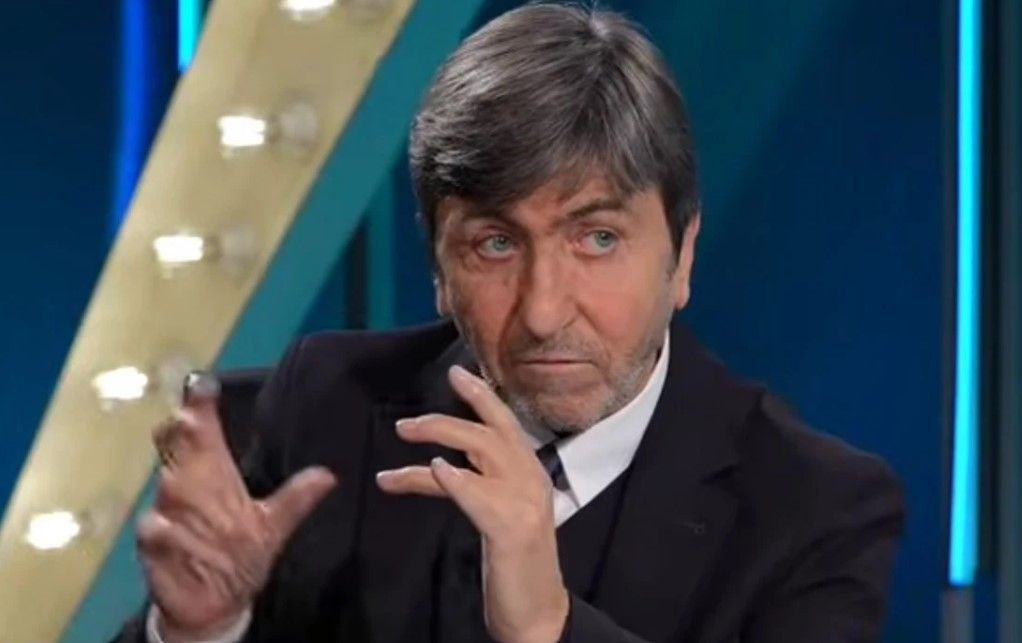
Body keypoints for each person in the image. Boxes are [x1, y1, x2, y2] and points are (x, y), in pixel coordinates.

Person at [113, 4, 905, 642]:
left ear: (683, 252)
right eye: (494, 243)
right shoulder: (324, 407)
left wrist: (549, 627)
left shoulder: (816, 510)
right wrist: (200, 629)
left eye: (598, 239)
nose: (543, 310)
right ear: (438, 267)